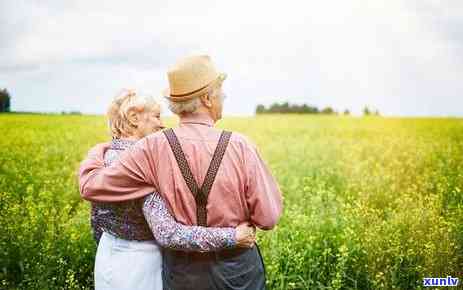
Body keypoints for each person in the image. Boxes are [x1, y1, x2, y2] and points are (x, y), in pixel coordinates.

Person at [80, 55, 283, 290]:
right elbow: (268, 218)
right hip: (238, 270)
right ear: (207, 98)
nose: (224, 96)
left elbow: (92, 186)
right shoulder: (241, 146)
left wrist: (102, 149)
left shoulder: (151, 147)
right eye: (220, 91)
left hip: (183, 273)